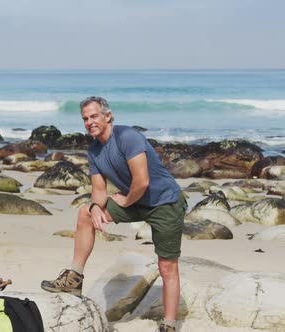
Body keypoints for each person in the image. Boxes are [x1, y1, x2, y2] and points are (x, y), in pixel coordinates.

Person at [40, 97, 187, 332]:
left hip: (164, 202)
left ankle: (169, 325)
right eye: (85, 119)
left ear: (107, 116)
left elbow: (142, 181)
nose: (89, 122)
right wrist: (96, 207)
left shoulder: (128, 137)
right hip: (134, 199)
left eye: (94, 116)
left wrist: (125, 200)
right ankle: (74, 278)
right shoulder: (94, 150)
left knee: (167, 266)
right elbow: (98, 191)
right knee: (85, 214)